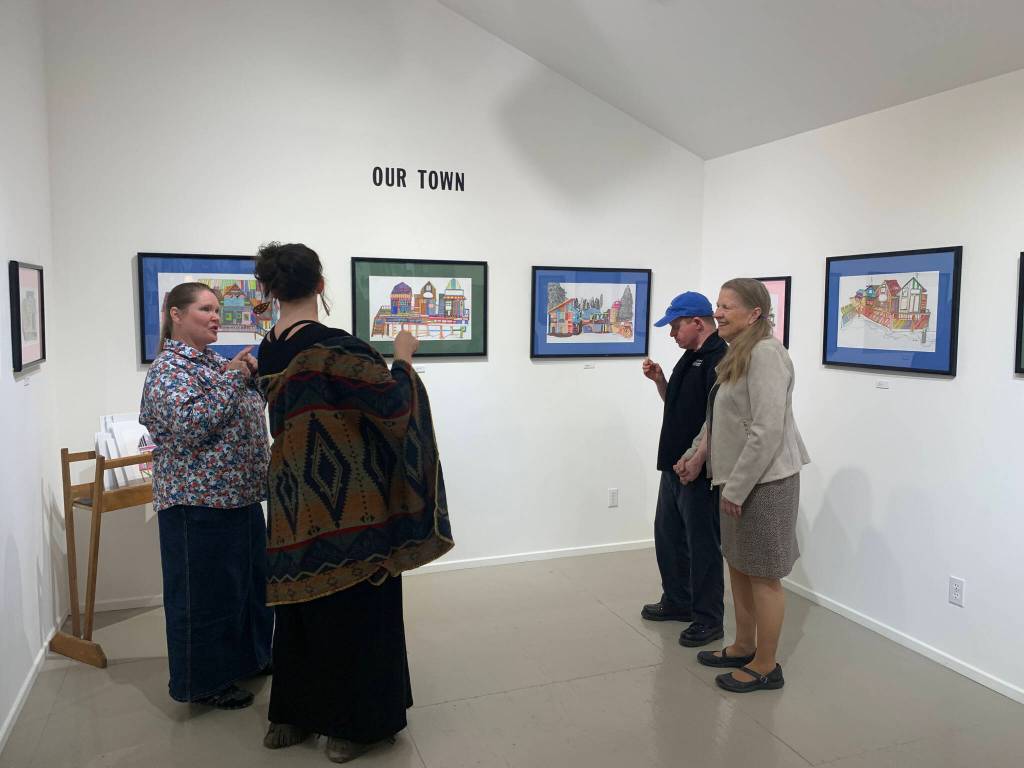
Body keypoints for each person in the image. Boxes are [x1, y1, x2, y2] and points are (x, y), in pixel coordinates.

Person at [254, 243, 453, 764]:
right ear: (321, 285)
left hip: (293, 496)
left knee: (300, 602)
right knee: (362, 606)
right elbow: (393, 407)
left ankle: (290, 717)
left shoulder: (267, 350)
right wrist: (404, 357)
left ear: (272, 291)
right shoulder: (340, 348)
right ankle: (356, 727)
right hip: (348, 501)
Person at [139, 282, 273, 709]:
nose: (215, 317)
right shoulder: (168, 370)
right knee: (204, 598)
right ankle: (202, 683)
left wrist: (246, 379)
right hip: (197, 505)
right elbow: (193, 424)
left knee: (248, 589)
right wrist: (234, 378)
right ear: (176, 315)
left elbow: (240, 414)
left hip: (240, 497)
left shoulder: (213, 365)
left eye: (217, 309)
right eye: (204, 309)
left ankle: (252, 659)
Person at [676, 278, 810, 693]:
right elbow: (721, 419)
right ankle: (743, 645)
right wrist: (698, 452)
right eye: (717, 304)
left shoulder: (768, 355)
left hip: (764, 483)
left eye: (727, 306)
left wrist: (736, 487)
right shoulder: (739, 354)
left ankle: (767, 665)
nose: (718, 312)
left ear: (754, 314)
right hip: (734, 480)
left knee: (764, 575)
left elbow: (766, 431)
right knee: (738, 564)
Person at [641, 291, 728, 648]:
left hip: (697, 469)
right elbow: (677, 406)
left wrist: (697, 459)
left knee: (703, 544)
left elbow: (718, 418)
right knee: (668, 536)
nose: (672, 334)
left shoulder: (719, 358)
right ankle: (677, 600)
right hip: (673, 465)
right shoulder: (689, 357)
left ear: (697, 322)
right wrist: (661, 381)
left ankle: (708, 618)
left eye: (676, 326)